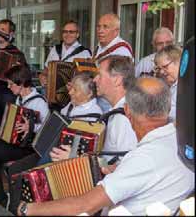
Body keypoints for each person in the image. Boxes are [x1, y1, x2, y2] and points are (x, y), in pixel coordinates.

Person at [17, 77, 195, 216]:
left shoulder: (144, 158)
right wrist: (119, 168)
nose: (95, 80)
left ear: (127, 111)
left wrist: (27, 209)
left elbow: (83, 206)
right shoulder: (181, 138)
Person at [7, 71, 102, 214]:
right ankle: (15, 210)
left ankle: (25, 210)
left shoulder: (94, 117)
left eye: (75, 90)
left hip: (65, 163)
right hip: (49, 152)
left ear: (89, 94)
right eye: (71, 88)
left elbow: (84, 153)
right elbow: (55, 121)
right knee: (15, 169)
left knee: (28, 177)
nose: (70, 92)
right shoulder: (71, 105)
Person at [0, 65, 49, 206]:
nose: (8, 86)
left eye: (11, 84)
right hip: (14, 143)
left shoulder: (39, 102)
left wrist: (31, 127)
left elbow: (47, 129)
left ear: (22, 83)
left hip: (27, 148)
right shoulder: (19, 99)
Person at [48, 55, 137, 164]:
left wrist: (75, 158)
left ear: (117, 80)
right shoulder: (115, 112)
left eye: (100, 75)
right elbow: (107, 160)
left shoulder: (123, 118)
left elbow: (125, 166)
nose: (95, 80)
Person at [93, 13, 134, 113]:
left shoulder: (122, 50)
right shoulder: (99, 47)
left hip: (111, 102)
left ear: (116, 31)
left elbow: (123, 79)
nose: (100, 30)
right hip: (100, 99)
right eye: (98, 26)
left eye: (105, 27)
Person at [38, 20, 92, 88]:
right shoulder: (55, 49)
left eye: (71, 32)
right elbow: (46, 69)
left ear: (77, 34)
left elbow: (88, 78)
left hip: (74, 94)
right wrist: (42, 76)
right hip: (52, 92)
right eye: (65, 32)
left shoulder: (85, 53)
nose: (67, 34)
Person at [154, 44, 182, 122]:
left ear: (179, 62)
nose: (162, 72)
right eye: (159, 68)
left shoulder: (188, 87)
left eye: (165, 67)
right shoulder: (172, 86)